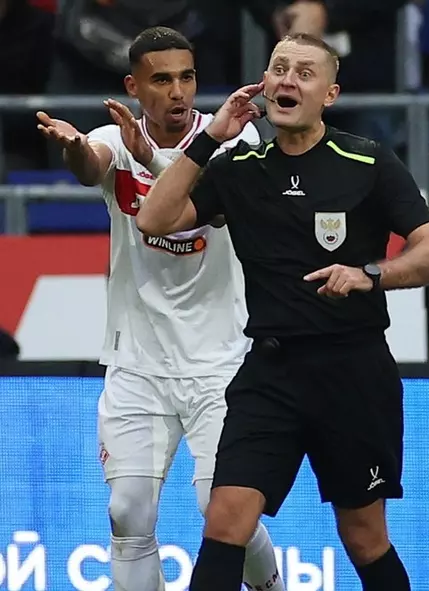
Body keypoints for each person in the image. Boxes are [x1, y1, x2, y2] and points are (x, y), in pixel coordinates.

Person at [135, 33, 429, 591]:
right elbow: (154, 219)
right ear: (264, 83)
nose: (287, 80)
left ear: (330, 94)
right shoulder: (239, 166)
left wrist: (370, 273)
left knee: (364, 536)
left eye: (304, 73)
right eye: (278, 68)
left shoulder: (367, 160)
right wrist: (211, 137)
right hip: (270, 371)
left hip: (352, 370)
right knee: (225, 518)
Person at [35, 26, 284, 591]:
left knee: (224, 510)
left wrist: (154, 158)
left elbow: (213, 208)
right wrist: (75, 149)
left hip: (222, 360)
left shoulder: (233, 138)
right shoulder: (116, 138)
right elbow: (92, 165)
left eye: (187, 77)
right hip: (138, 362)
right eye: (162, 80)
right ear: (134, 87)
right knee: (128, 513)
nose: (178, 92)